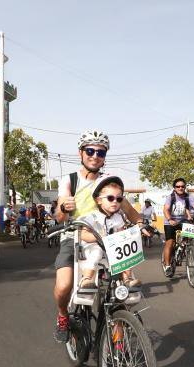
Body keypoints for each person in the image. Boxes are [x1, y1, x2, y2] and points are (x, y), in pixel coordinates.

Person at [52, 129, 146, 343]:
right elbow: (58, 217)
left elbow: (129, 210)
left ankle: (119, 343)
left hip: (109, 239)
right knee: (64, 286)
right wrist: (64, 208)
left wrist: (141, 223)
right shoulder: (69, 180)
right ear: (80, 153)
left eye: (100, 152)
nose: (95, 156)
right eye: (90, 150)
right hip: (75, 237)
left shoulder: (108, 182)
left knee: (122, 291)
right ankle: (63, 316)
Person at [78, 175, 142, 289]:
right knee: (96, 252)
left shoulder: (118, 218)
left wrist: (126, 237)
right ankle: (87, 278)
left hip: (111, 248)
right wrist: (98, 237)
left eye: (119, 199)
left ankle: (127, 279)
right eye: (110, 198)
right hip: (93, 247)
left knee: (125, 251)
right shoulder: (92, 216)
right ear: (99, 200)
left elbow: (122, 232)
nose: (115, 202)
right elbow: (83, 234)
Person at [162, 177, 194, 276]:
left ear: (185, 187)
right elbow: (165, 209)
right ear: (174, 188)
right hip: (170, 222)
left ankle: (185, 249)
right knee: (170, 242)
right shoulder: (171, 197)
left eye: (182, 186)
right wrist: (170, 219)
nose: (180, 188)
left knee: (189, 238)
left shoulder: (188, 198)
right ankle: (167, 266)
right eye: (178, 186)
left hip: (182, 221)